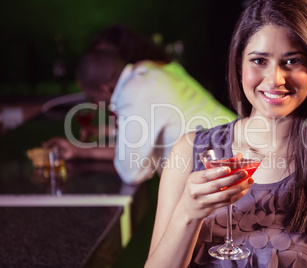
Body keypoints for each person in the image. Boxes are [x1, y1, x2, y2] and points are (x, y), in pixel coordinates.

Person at [145, 0, 307, 267]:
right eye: (259, 61)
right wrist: (188, 212)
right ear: (238, 66)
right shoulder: (190, 152)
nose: (274, 79)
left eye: (292, 61)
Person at [44, 34, 236, 185]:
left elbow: (132, 172)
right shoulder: (148, 70)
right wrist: (83, 147)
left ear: (104, 89)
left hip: (228, 167)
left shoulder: (133, 94)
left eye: (93, 97)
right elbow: (142, 138)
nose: (94, 103)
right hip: (240, 147)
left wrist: (81, 150)